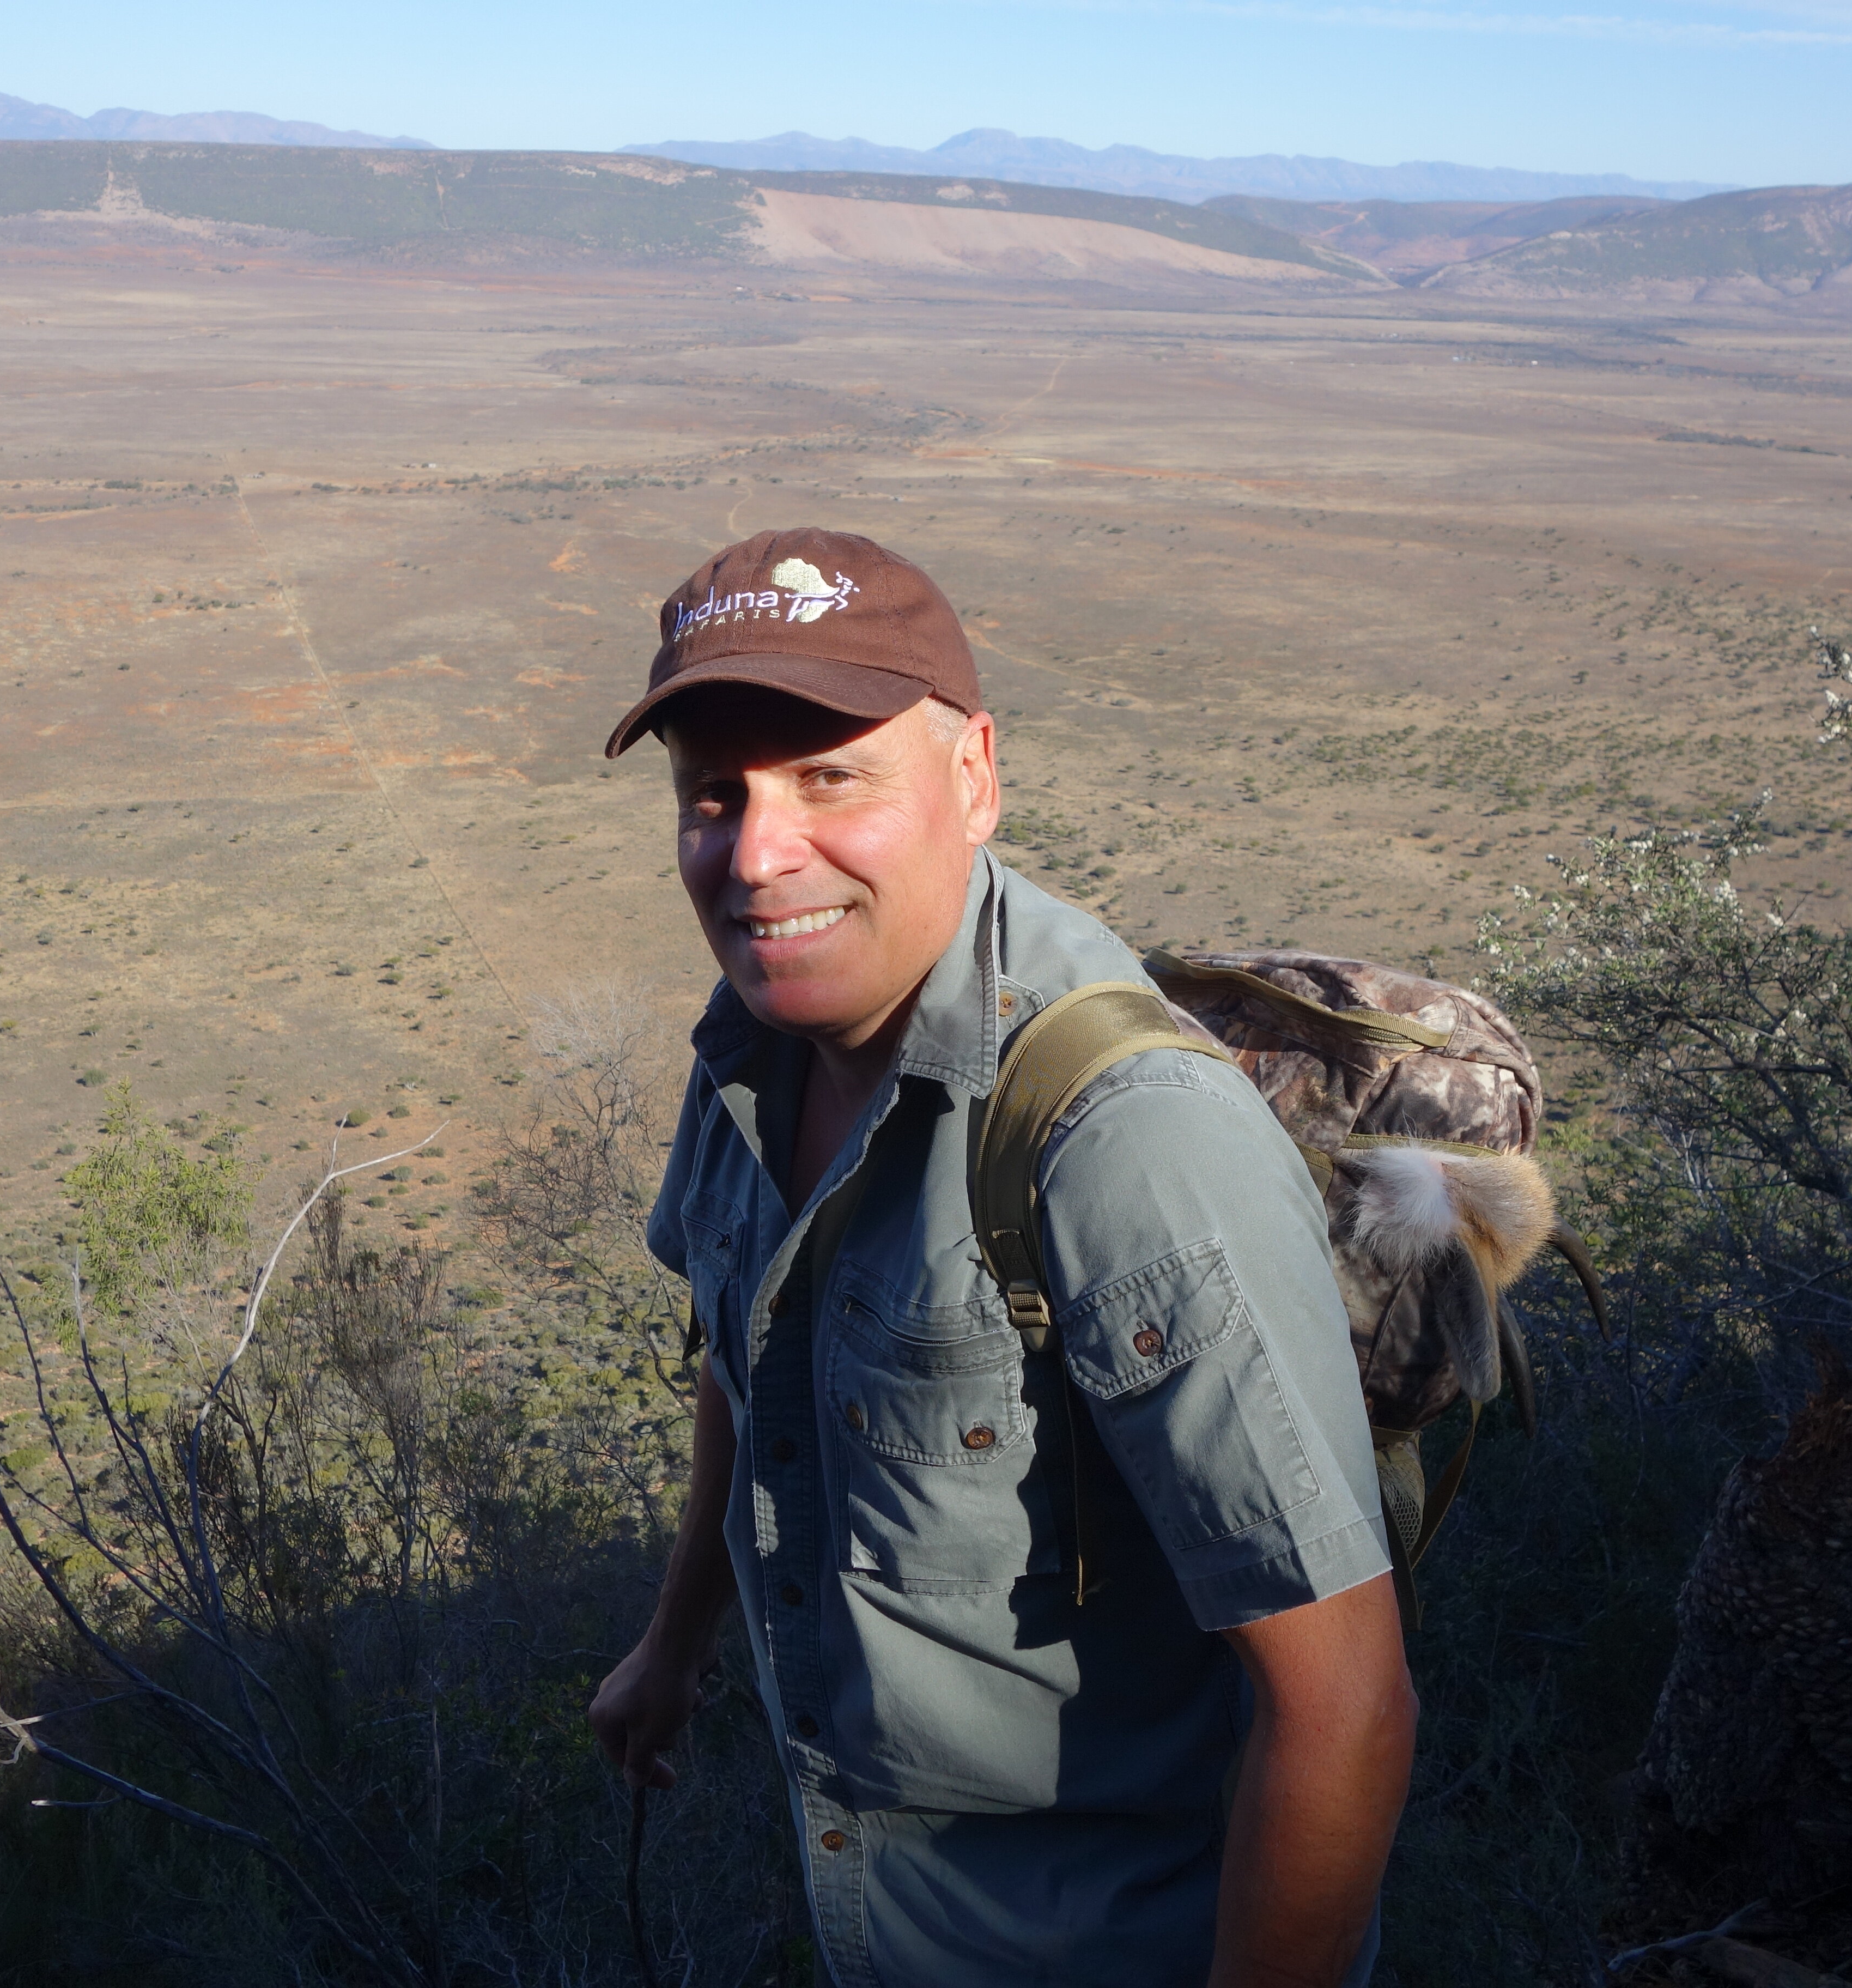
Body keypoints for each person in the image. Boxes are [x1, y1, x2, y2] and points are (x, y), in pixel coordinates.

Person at [585, 528, 1414, 1987]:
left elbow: (1345, 1708)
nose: (758, 850)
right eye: (715, 793)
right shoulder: (751, 1055)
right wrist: (676, 1642)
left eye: (830, 775)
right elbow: (750, 1340)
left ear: (974, 774)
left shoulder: (1127, 1142)